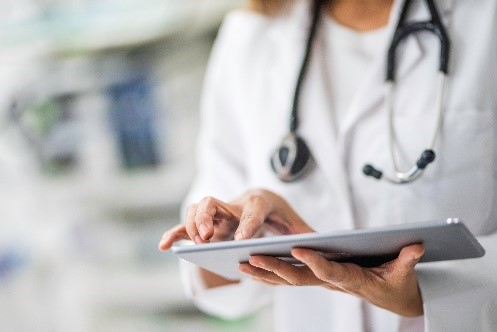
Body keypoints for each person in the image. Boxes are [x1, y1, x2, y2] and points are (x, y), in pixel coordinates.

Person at [159, 0, 497, 331]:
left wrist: (427, 295)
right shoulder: (251, 36)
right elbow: (215, 279)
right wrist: (230, 235)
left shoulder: (485, 20)